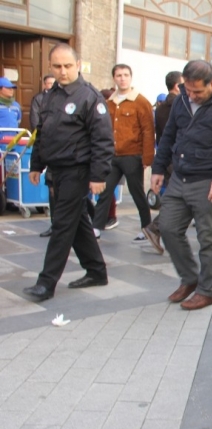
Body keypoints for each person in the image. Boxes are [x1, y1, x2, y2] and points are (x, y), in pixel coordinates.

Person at [151, 60, 212, 310]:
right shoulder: (182, 99)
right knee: (167, 227)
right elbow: (169, 134)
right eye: (188, 90)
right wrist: (158, 168)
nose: (191, 95)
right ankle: (190, 278)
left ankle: (207, 290)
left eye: (198, 92)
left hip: (209, 180)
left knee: (209, 238)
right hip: (180, 176)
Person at [22, 44, 112, 301]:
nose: (63, 71)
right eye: (57, 66)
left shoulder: (90, 97)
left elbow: (103, 140)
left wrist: (98, 176)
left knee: (62, 225)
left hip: (78, 170)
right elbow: (43, 132)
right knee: (78, 222)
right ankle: (96, 271)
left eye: (68, 66)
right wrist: (36, 164)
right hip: (57, 169)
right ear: (50, 67)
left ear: (78, 65)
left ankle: (46, 283)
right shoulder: (52, 95)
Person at [92, 64, 154, 242]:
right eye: (119, 75)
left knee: (137, 193)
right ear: (114, 78)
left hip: (132, 155)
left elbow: (148, 130)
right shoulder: (108, 103)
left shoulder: (141, 102)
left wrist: (147, 157)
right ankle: (96, 227)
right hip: (112, 155)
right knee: (105, 191)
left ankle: (146, 227)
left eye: (126, 75)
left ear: (131, 77)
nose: (122, 78)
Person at [142, 71, 183, 254]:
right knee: (181, 199)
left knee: (174, 197)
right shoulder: (180, 105)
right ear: (177, 86)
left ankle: (162, 229)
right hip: (178, 158)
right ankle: (157, 228)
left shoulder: (160, 108)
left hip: (165, 158)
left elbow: (160, 136)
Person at [31, 74, 56, 238]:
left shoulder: (83, 96)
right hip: (52, 156)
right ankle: (55, 226)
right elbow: (38, 131)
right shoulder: (41, 100)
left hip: (73, 160)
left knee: (77, 201)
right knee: (53, 193)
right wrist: (36, 165)